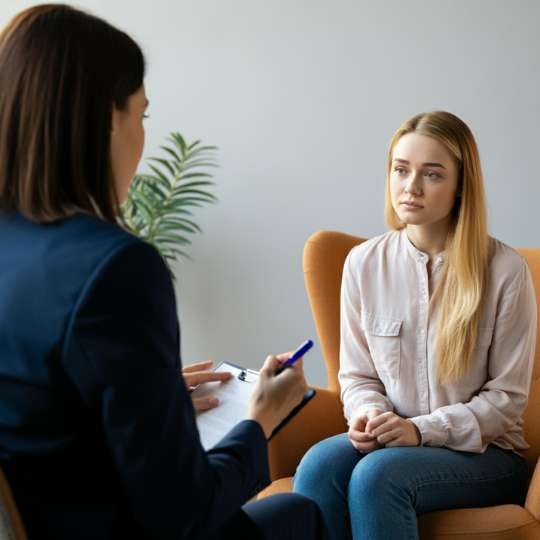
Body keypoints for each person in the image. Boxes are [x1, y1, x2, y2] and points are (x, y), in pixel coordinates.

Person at [0, 4, 326, 539]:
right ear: (106, 119)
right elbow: (186, 516)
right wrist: (259, 420)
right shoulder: (115, 268)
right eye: (142, 114)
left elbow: (41, 412)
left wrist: (151, 397)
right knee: (299, 513)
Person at [293, 110, 537, 539]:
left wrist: (418, 431)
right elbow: (357, 376)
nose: (411, 187)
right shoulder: (363, 264)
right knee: (318, 467)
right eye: (401, 170)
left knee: (377, 477)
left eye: (433, 174)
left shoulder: (504, 271)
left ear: (461, 185)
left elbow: (506, 401)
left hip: (486, 455)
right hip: (391, 441)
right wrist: (371, 415)